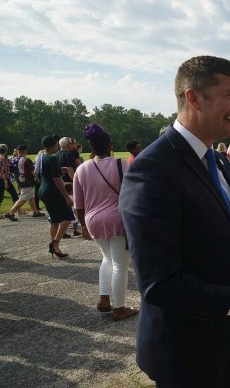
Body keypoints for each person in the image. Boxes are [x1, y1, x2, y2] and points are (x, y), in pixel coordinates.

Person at [119, 55, 230, 387]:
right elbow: (158, 283)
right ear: (193, 97)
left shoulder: (215, 159)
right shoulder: (152, 171)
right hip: (186, 352)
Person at [73, 123, 138, 321]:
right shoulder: (121, 164)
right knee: (120, 264)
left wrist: (82, 225)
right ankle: (119, 308)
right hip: (117, 219)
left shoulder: (82, 169)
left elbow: (78, 203)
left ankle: (104, 298)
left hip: (92, 220)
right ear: (109, 144)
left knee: (107, 259)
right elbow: (134, 193)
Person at [38, 135, 75, 258]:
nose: (57, 147)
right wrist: (66, 196)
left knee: (54, 220)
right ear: (53, 145)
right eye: (56, 145)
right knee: (68, 216)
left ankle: (55, 247)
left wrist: (60, 169)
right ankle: (55, 243)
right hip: (52, 191)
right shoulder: (52, 159)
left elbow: (45, 172)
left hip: (43, 190)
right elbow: (57, 179)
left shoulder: (42, 156)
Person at [3, 145, 44, 220]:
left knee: (31, 197)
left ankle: (35, 212)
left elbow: (11, 171)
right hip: (27, 181)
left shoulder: (13, 160)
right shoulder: (27, 160)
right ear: (25, 151)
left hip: (19, 181)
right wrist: (36, 178)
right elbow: (32, 171)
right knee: (23, 198)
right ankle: (10, 213)